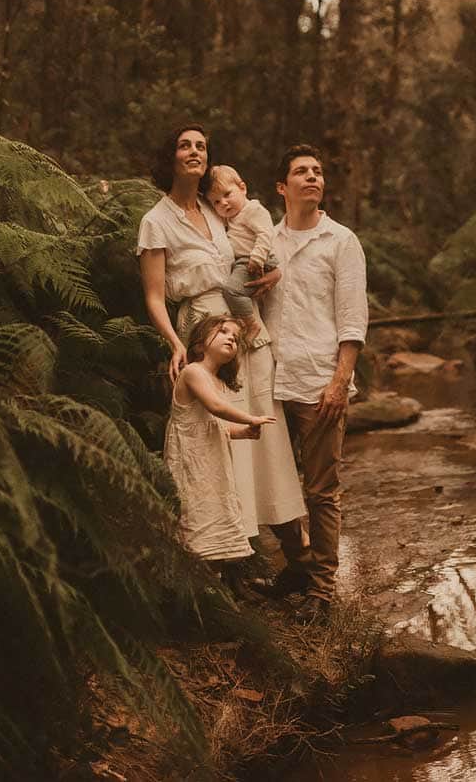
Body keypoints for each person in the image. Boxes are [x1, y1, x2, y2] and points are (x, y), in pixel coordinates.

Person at [137, 124, 306, 548]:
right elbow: (155, 298)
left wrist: (274, 272)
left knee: (261, 428)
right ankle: (231, 545)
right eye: (184, 145)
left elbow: (258, 252)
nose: (194, 151)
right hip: (201, 329)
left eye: (201, 146)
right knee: (219, 431)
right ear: (170, 157)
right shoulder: (156, 221)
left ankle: (286, 537)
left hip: (242, 328)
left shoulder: (218, 210)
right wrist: (177, 345)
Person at [260, 143, 368, 617]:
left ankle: (322, 589)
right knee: (273, 484)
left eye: (318, 172)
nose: (312, 177)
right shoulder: (265, 241)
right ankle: (298, 563)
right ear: (282, 187)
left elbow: (352, 316)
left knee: (320, 489)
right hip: (267, 380)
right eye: (301, 171)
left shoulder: (341, 241)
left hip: (318, 381)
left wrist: (340, 380)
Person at [164, 315, 274, 574]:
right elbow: (215, 408)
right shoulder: (192, 372)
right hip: (190, 462)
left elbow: (216, 426)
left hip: (211, 466)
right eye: (223, 331)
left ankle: (214, 581)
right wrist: (250, 417)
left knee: (212, 518)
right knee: (194, 515)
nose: (230, 338)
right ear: (200, 345)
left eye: (235, 338)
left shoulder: (217, 382)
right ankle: (197, 588)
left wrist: (245, 431)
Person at [206, 164, 280, 346]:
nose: (223, 203)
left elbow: (266, 233)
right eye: (216, 202)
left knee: (231, 290)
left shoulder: (252, 210)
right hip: (244, 260)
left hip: (254, 260)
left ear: (243, 188)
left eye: (227, 194)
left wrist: (257, 257)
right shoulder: (231, 218)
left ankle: (251, 324)